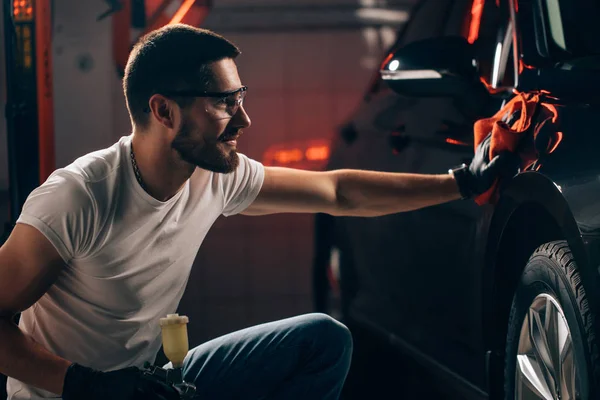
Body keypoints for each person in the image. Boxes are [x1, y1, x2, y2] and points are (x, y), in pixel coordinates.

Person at [0, 24, 517, 400]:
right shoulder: (79, 197)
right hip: (69, 396)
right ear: (162, 110)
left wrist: (460, 182)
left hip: (153, 389)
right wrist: (88, 387)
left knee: (323, 341)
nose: (244, 118)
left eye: (241, 97)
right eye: (224, 102)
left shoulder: (213, 177)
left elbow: (338, 193)